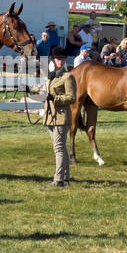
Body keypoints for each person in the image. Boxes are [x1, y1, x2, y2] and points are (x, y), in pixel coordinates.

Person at [39, 46, 77, 187]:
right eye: (58, 59)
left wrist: (54, 98)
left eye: (62, 59)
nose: (60, 61)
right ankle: (65, 178)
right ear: (53, 60)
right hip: (51, 117)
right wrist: (28, 89)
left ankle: (58, 179)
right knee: (61, 148)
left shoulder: (68, 77)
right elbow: (44, 90)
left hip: (61, 117)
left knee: (59, 148)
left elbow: (72, 97)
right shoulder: (52, 75)